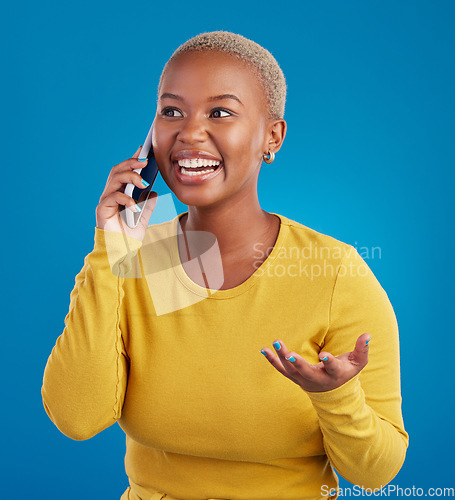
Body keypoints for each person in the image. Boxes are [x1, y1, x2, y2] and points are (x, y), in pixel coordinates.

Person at [41, 31, 409, 500]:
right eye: (171, 111)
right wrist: (110, 251)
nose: (190, 133)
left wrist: (334, 395)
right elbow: (76, 418)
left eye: (220, 112)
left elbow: (375, 472)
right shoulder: (139, 261)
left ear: (271, 137)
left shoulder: (332, 272)